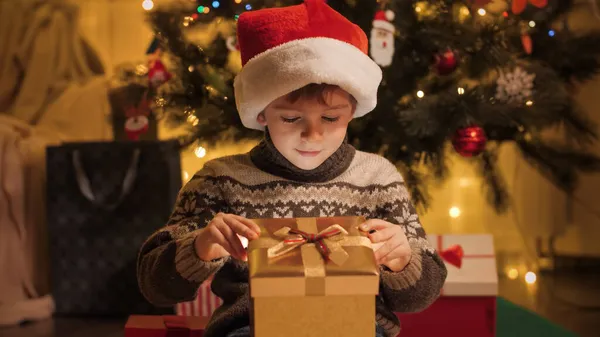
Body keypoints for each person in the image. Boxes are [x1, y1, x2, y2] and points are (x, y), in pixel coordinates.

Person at [137, 1, 448, 336]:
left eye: (331, 118)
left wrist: (402, 259)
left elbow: (419, 297)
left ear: (353, 111)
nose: (312, 135)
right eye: (290, 118)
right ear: (260, 113)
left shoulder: (377, 179)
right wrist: (199, 248)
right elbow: (155, 286)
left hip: (357, 326)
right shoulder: (220, 180)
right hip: (252, 327)